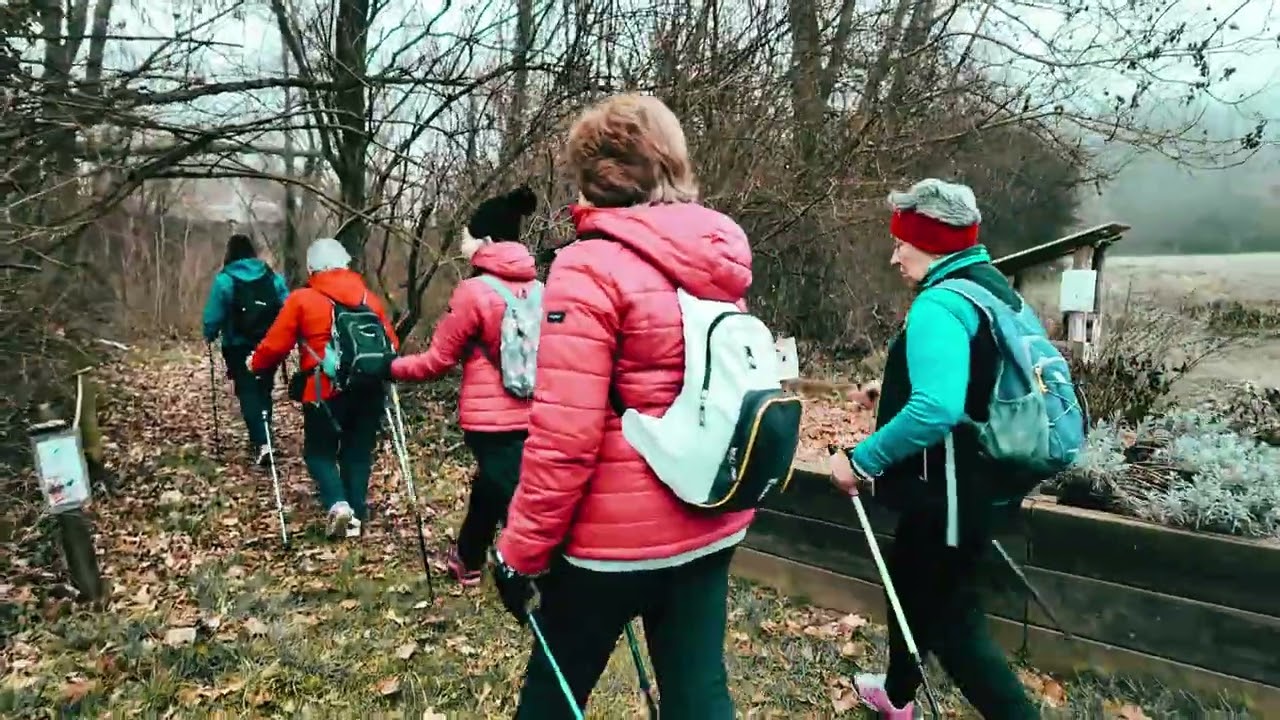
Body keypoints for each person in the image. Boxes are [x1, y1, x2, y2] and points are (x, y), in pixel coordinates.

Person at [489, 93, 752, 719]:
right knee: (699, 696)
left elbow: (565, 438)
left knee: (550, 702)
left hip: (611, 543)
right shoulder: (717, 260)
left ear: (593, 172)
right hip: (710, 514)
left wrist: (519, 552)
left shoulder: (586, 266)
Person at [827, 178, 1040, 719]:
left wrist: (859, 461)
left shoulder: (939, 304)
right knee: (908, 578)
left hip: (948, 493)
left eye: (902, 242)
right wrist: (889, 389)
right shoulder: (991, 288)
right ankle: (898, 695)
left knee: (953, 626)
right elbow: (977, 379)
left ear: (931, 242)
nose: (894, 255)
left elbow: (936, 409)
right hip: (981, 480)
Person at [388, 185, 539, 586]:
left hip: (490, 421)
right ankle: (468, 559)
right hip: (536, 410)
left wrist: (391, 367)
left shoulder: (474, 292)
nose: (462, 242)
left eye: (466, 235)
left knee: (510, 496)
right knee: (492, 485)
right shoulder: (542, 289)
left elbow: (437, 361)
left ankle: (531, 574)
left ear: (485, 240)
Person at [248, 238, 400, 540]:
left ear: (312, 268)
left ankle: (338, 505)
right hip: (370, 386)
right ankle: (355, 517)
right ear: (345, 264)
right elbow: (392, 344)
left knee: (319, 452)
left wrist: (255, 363)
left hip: (325, 390)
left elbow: (275, 345)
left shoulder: (303, 299)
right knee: (358, 452)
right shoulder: (369, 299)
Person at [201, 233, 289, 466]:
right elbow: (287, 305)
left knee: (248, 391)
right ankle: (264, 435)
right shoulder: (271, 277)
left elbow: (213, 315)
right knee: (264, 389)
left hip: (238, 346)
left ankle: (261, 442)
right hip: (269, 344)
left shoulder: (225, 280)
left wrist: (210, 333)